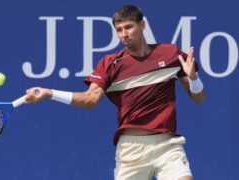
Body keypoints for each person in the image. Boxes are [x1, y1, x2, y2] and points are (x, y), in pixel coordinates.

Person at [25, 5, 205, 180]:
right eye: (119, 30)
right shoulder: (111, 64)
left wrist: (193, 78)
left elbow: (198, 97)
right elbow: (89, 99)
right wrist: (49, 93)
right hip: (131, 150)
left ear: (142, 26)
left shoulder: (170, 54)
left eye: (129, 27)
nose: (124, 34)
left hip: (167, 145)